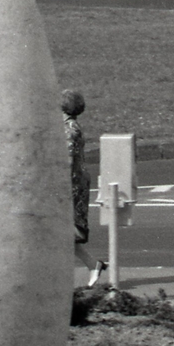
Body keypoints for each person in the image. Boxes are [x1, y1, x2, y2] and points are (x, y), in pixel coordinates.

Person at [62, 89, 106, 288]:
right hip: (73, 182)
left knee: (63, 232)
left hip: (70, 185)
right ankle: (92, 264)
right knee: (63, 233)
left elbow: (69, 160)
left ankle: (89, 265)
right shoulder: (68, 126)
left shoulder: (69, 129)